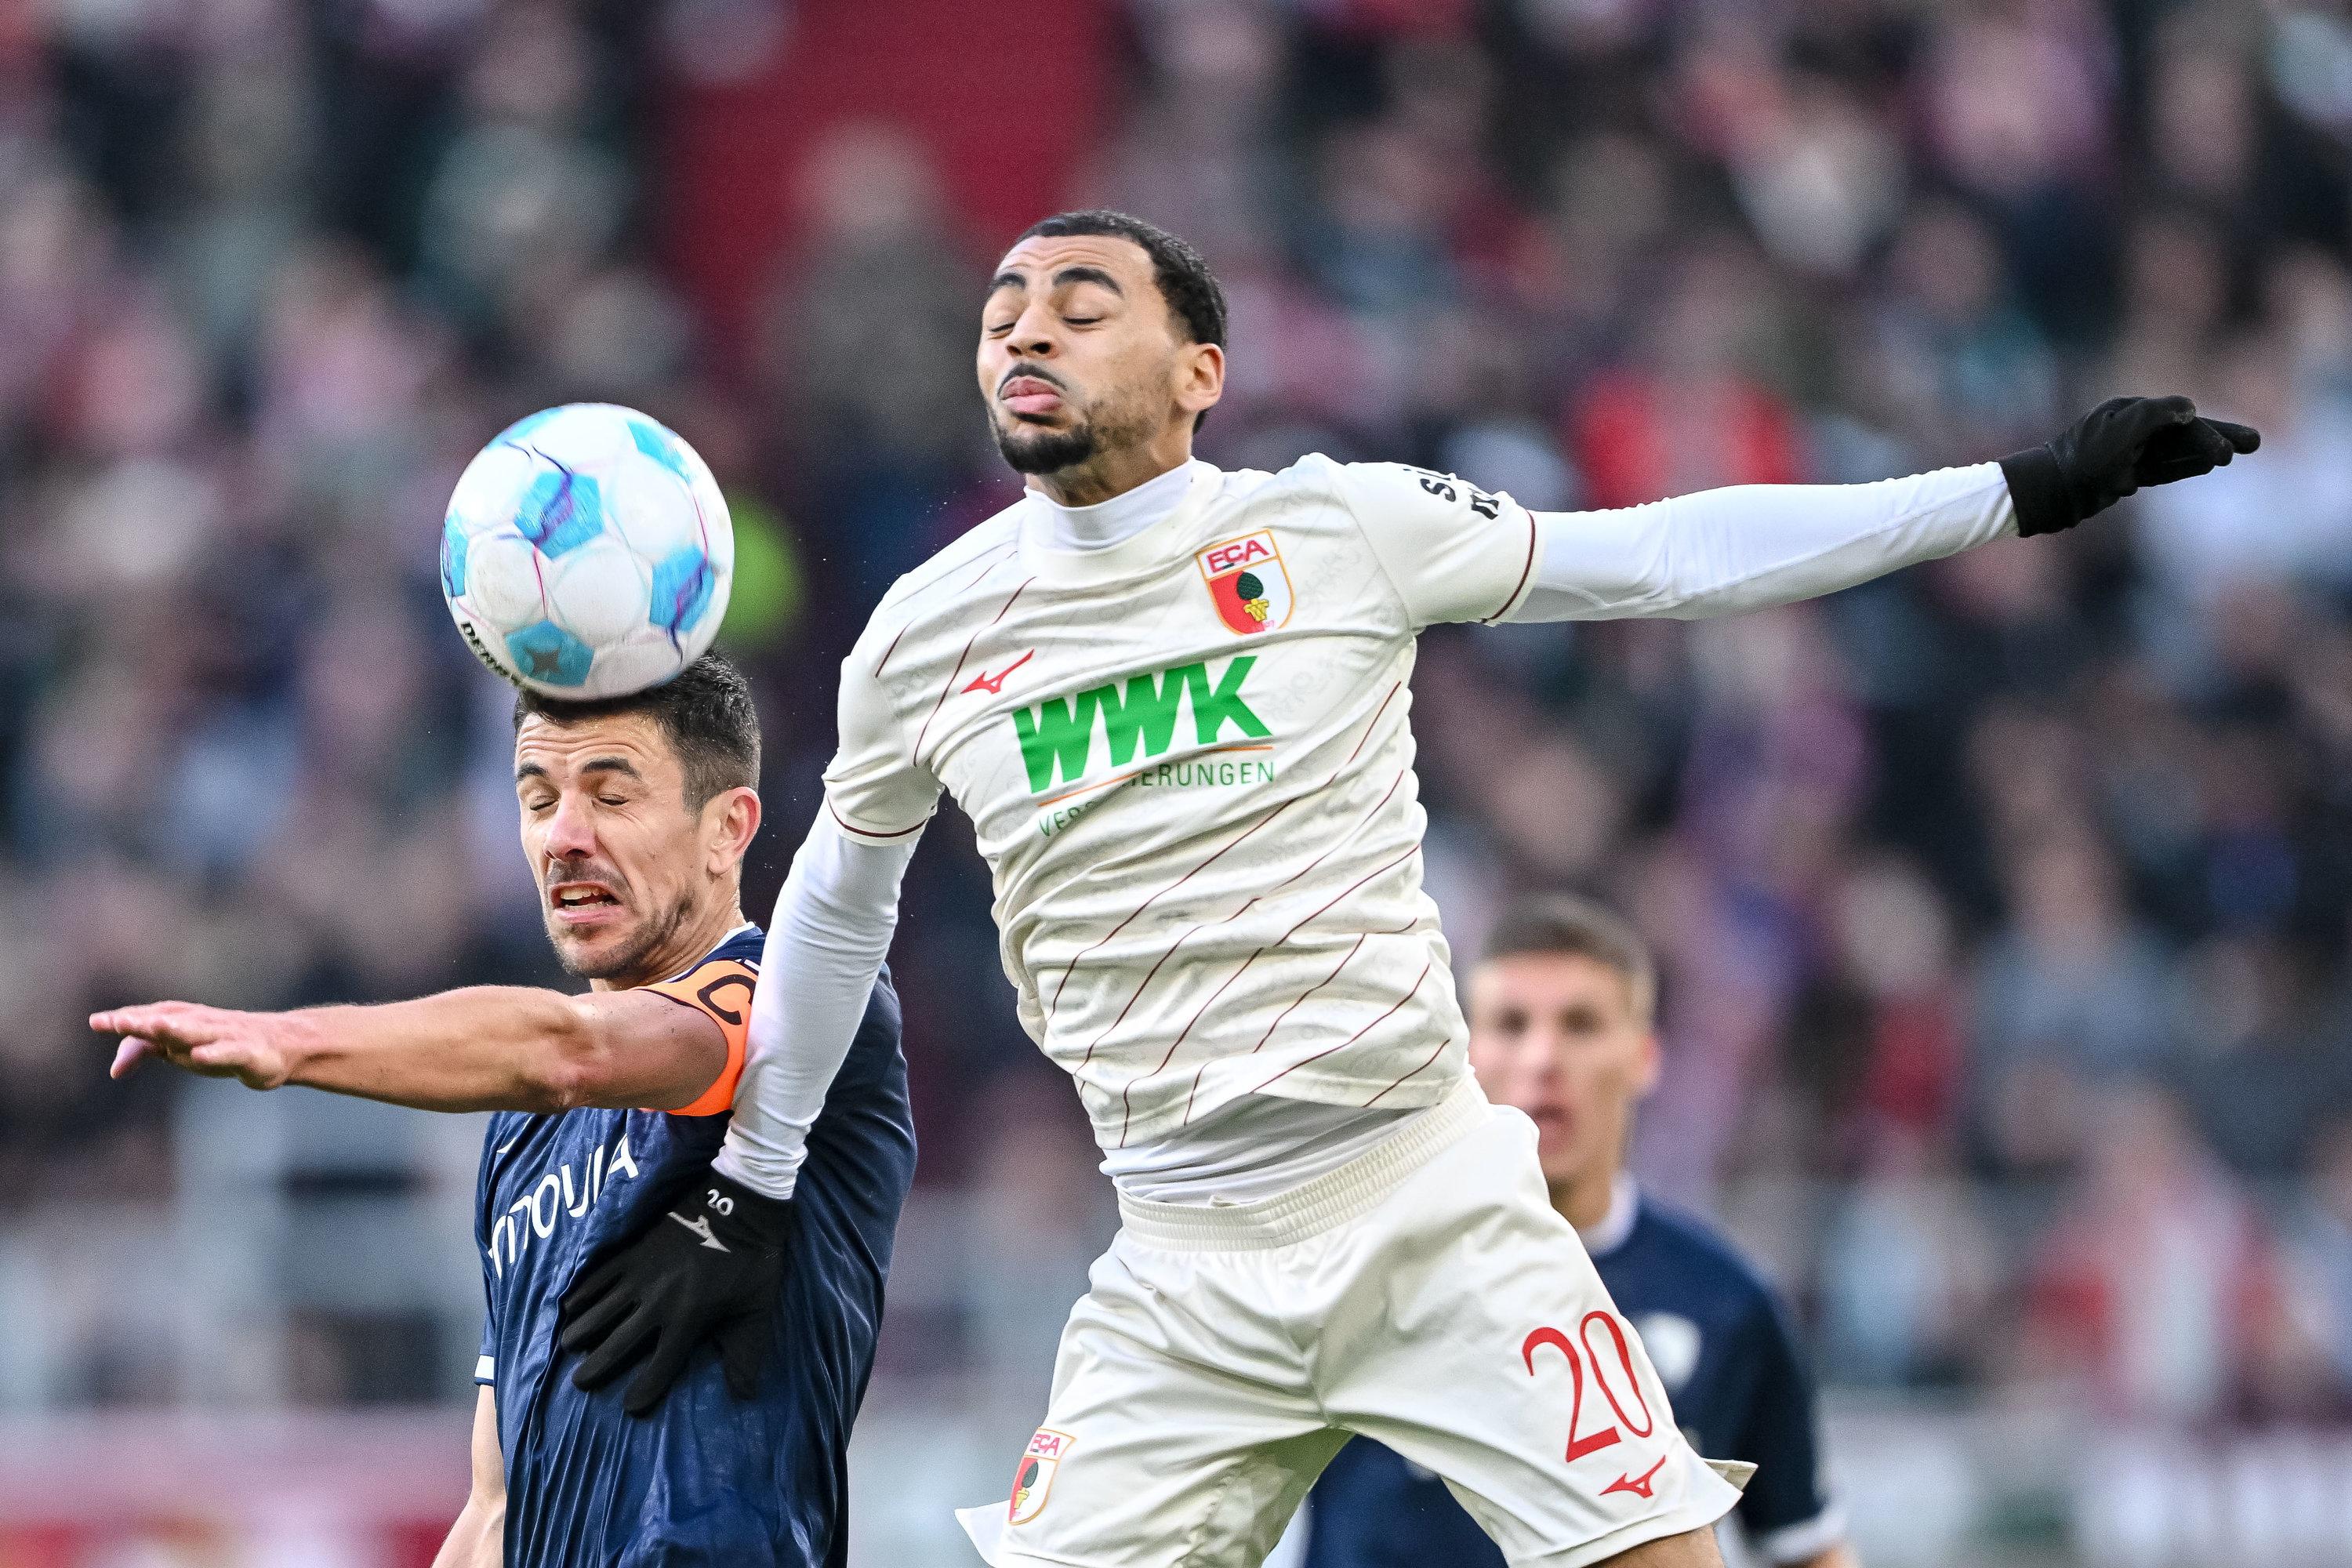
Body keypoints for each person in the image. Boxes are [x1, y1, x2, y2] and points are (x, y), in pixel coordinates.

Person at [567, 209, 2256, 1568]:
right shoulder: (922, 634)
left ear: (1200, 368)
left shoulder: (1339, 531)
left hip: (1428, 1202)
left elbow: (1664, 555)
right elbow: (837, 913)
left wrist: (2014, 493)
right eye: (1004, 305)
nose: (1024, 328)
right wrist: (751, 1186)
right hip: (1177, 1259)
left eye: (1082, 304)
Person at [92, 655, 916, 1568]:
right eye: (537, 798)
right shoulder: (520, 1138)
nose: (564, 834)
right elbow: (494, 1503)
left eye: (611, 795)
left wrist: (292, 1044)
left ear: (727, 828)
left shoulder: (801, 1004)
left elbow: (570, 1050)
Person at [1297, 894, 1857, 1568]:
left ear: (1644, 1056)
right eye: (1511, 1023)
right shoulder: (1350, 1273)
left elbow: (1808, 1548)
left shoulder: (1728, 1304)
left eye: (1581, 1024)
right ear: (1464, 1056)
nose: (1542, 1058)